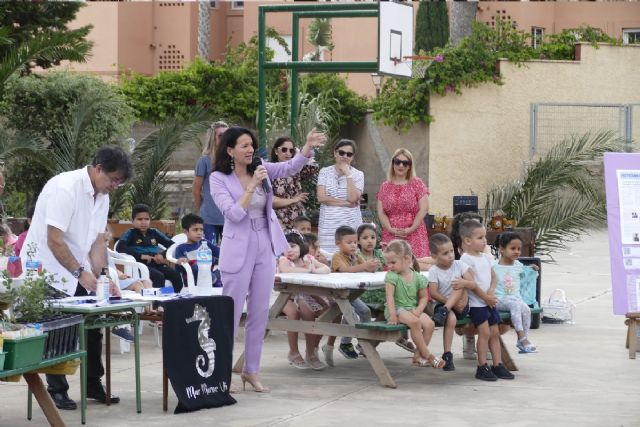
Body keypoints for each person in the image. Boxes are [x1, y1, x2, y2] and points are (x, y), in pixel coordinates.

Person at [211, 126, 326, 392]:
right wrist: (251, 187)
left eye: (252, 145)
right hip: (238, 246)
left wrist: (307, 146)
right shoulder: (218, 178)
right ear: (230, 150)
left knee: (260, 311)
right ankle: (221, 373)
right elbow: (233, 214)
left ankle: (252, 370)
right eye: (244, 145)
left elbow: (290, 167)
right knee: (229, 312)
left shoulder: (261, 167)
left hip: (265, 242)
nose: (250, 149)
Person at [22, 145, 133, 409]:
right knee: (58, 329)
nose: (115, 186)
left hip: (76, 268)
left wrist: (103, 278)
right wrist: (80, 273)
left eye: (119, 182)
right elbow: (54, 240)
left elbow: (97, 242)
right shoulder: (65, 188)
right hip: (46, 270)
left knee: (94, 324)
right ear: (98, 169)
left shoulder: (102, 196)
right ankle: (56, 389)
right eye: (113, 179)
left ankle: (93, 382)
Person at [459, 219, 515, 381]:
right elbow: (471, 284)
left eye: (485, 237)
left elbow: (494, 277)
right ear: (467, 241)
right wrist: (486, 298)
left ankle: (497, 364)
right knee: (484, 333)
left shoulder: (486, 257)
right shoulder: (465, 260)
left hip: (488, 301)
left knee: (495, 332)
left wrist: (491, 291)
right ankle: (482, 366)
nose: (485, 240)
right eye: (480, 238)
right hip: (476, 304)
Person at [383, 239, 444, 368]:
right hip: (396, 310)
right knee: (415, 322)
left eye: (393, 262)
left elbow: (423, 297)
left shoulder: (418, 277)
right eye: (388, 263)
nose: (389, 266)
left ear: (406, 259)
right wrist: (392, 315)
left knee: (430, 324)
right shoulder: (392, 276)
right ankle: (428, 355)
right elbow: (389, 296)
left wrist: (419, 310)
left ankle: (417, 355)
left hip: (412, 309)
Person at [356, 223, 416, 354]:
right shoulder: (357, 255)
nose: (369, 241)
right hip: (364, 295)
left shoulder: (379, 253)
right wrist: (363, 266)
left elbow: (395, 260)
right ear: (358, 241)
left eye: (372, 237)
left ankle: (375, 343)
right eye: (365, 238)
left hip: (380, 296)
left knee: (397, 305)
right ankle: (371, 343)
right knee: (390, 309)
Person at [322, 226, 377, 363]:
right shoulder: (337, 257)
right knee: (350, 314)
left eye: (355, 242)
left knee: (365, 312)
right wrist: (364, 267)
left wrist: (372, 266)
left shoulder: (356, 256)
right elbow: (345, 270)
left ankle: (363, 342)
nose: (353, 245)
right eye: (349, 242)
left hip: (351, 294)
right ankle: (345, 343)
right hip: (337, 294)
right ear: (338, 243)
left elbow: (366, 268)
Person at [277, 231, 330, 370]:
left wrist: (315, 271)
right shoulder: (284, 260)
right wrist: (307, 270)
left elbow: (326, 268)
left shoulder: (307, 258)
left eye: (293, 246)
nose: (289, 250)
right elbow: (285, 270)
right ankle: (293, 352)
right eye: (285, 247)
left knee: (312, 312)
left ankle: (310, 353)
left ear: (301, 246)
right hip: (282, 295)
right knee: (294, 313)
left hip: (302, 294)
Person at [427, 234, 476, 371]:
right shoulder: (434, 270)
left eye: (451, 251)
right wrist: (449, 304)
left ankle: (445, 311)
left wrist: (463, 283)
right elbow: (433, 293)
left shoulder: (459, 265)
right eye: (445, 253)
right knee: (451, 319)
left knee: (459, 284)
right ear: (434, 256)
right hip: (443, 306)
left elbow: (472, 283)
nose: (450, 255)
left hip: (461, 306)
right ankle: (447, 355)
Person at [116, 204, 184, 292]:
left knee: (175, 275)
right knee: (158, 276)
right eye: (140, 219)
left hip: (157, 264)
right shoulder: (130, 233)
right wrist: (140, 256)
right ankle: (158, 299)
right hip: (140, 265)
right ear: (132, 221)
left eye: (146, 219)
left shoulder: (154, 232)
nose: (143, 222)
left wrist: (162, 255)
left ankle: (173, 298)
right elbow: (120, 247)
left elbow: (172, 245)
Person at [377, 148, 430, 258]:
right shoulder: (385, 186)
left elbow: (424, 208)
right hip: (391, 234)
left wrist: (411, 229)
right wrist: (390, 229)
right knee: (391, 264)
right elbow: (380, 211)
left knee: (416, 264)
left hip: (414, 234)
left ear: (410, 166)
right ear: (393, 164)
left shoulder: (417, 183)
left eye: (405, 163)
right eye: (397, 162)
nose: (401, 165)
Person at [493, 232, 539, 353]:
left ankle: (523, 341)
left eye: (519, 249)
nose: (517, 251)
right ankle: (522, 337)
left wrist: (532, 268)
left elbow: (525, 275)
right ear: (502, 249)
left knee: (527, 310)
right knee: (514, 304)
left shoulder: (518, 265)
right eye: (513, 248)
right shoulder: (494, 266)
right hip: (498, 299)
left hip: (515, 299)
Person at [317, 139, 364, 254]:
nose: (345, 156)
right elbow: (321, 198)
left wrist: (348, 174)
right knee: (326, 259)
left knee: (349, 259)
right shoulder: (324, 172)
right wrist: (346, 203)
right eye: (341, 153)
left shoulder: (358, 175)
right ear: (335, 153)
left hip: (350, 226)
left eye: (349, 154)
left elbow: (353, 198)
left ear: (352, 157)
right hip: (328, 228)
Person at [270, 137, 318, 230]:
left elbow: (313, 167)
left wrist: (300, 152)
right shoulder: (269, 171)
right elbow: (270, 201)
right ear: (276, 151)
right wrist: (294, 200)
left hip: (299, 218)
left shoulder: (296, 170)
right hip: (280, 220)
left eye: (291, 150)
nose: (288, 153)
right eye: (284, 149)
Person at [193, 120, 228, 245]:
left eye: (227, 135)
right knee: (209, 252)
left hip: (230, 218)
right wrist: (202, 209)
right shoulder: (204, 161)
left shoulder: (235, 160)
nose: (225, 138)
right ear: (213, 139)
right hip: (209, 218)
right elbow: (196, 189)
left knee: (232, 253)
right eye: (220, 135)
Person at [174, 213, 222, 287]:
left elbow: (221, 253)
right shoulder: (181, 248)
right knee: (196, 266)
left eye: (201, 230)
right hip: (193, 281)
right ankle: (215, 281)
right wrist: (181, 260)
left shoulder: (205, 243)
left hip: (209, 275)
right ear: (185, 231)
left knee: (226, 268)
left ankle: (215, 280)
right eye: (195, 230)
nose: (199, 233)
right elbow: (179, 268)